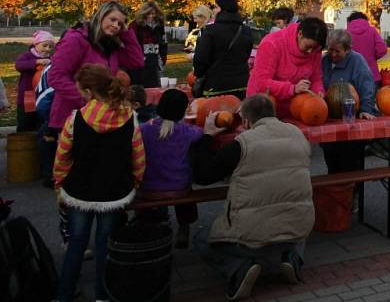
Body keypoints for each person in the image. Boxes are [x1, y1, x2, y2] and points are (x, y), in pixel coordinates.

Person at [193, 94, 313, 301]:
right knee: (293, 215)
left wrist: (207, 136)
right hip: (297, 227)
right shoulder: (298, 135)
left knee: (201, 238)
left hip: (251, 234)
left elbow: (203, 175)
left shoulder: (242, 144)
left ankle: (239, 267)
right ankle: (292, 257)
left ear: (246, 121)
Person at [53, 64, 145, 302]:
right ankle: (103, 295)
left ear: (89, 92)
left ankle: (65, 293)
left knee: (76, 243)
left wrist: (59, 185)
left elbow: (62, 157)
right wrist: (135, 182)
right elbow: (138, 157)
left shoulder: (75, 120)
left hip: (79, 190)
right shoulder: (129, 118)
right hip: (114, 190)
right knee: (105, 245)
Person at [46, 1, 144, 186]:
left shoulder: (110, 45)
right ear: (101, 16)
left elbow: (137, 61)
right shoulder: (76, 40)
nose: (116, 25)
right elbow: (56, 77)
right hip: (73, 117)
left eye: (120, 23)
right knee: (75, 175)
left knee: (97, 175)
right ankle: (69, 211)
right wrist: (86, 99)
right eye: (112, 19)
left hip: (100, 117)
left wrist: (126, 33)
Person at [138, 89, 203, 248]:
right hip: (179, 188)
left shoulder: (143, 130)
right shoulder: (187, 131)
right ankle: (184, 226)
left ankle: (145, 223)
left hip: (148, 188)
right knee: (184, 178)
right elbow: (201, 133)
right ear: (182, 111)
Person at [246, 16, 327, 119]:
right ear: (300, 34)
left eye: (314, 48)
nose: (310, 52)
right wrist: (292, 89)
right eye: (307, 46)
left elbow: (316, 78)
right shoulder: (272, 44)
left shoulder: (315, 51)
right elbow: (262, 82)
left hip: (296, 109)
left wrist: (318, 91)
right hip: (264, 108)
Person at [321, 30, 377, 174]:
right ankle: (336, 190)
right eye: (330, 50)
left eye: (337, 51)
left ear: (347, 50)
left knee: (349, 161)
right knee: (331, 158)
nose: (332, 54)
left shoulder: (357, 61)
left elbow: (366, 86)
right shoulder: (324, 61)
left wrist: (366, 109)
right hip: (329, 119)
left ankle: (352, 190)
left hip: (350, 118)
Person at [193, 0, 254, 99]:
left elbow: (201, 59)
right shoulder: (246, 30)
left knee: (214, 114)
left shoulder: (211, 31)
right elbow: (246, 54)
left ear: (222, 9)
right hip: (242, 83)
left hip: (216, 85)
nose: (213, 11)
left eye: (216, 7)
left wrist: (199, 74)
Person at [15, 30, 55, 132]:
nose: (47, 49)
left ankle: (38, 142)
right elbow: (19, 65)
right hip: (29, 95)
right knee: (26, 121)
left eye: (50, 47)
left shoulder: (51, 59)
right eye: (44, 45)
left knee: (40, 120)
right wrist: (36, 62)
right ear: (36, 44)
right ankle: (24, 142)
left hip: (43, 95)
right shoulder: (27, 56)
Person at [128, 1, 168, 88]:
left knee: (156, 84)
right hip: (140, 59)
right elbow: (132, 43)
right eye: (148, 14)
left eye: (153, 13)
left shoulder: (160, 26)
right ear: (144, 14)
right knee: (141, 84)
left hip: (156, 59)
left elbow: (164, 42)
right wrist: (138, 57)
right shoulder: (136, 25)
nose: (151, 16)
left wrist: (163, 57)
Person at [346, 11, 387, 92]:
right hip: (371, 73)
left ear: (350, 21)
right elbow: (382, 49)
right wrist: (373, 57)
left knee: (352, 102)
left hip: (350, 75)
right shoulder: (372, 31)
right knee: (369, 102)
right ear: (365, 20)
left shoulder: (346, 33)